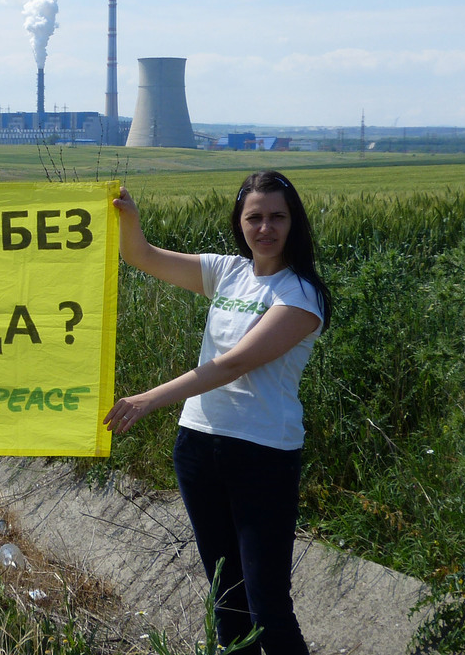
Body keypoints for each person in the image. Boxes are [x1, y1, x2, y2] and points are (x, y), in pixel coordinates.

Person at [103, 171, 331, 654]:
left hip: (263, 456)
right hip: (199, 447)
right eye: (254, 217)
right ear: (240, 222)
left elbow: (236, 363)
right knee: (227, 596)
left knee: (267, 603)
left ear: (295, 224)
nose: (265, 228)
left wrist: (148, 399)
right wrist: (130, 217)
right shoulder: (228, 271)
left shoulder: (300, 295)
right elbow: (140, 256)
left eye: (277, 217)